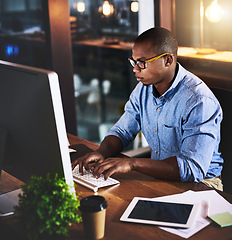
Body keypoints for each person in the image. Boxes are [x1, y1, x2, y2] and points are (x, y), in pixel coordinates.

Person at [72, 27, 223, 191]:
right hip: (161, 177)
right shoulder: (143, 89)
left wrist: (132, 163)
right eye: (133, 61)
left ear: (168, 60)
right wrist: (101, 153)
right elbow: (122, 132)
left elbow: (191, 168)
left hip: (202, 184)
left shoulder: (199, 100)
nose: (135, 69)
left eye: (142, 62)